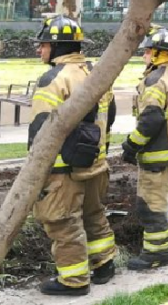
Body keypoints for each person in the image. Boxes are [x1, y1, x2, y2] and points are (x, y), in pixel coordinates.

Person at [28, 15, 117, 295]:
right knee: (93, 215)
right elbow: (110, 115)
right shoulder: (93, 72)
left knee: (62, 223)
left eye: (43, 44)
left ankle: (73, 281)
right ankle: (105, 264)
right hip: (96, 164)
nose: (39, 50)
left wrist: (36, 172)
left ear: (56, 47)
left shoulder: (53, 78)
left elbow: (40, 131)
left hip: (64, 170)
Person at [121, 26, 168, 270]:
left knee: (151, 204)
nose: (144, 55)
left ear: (158, 53)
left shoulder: (155, 81)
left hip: (157, 156)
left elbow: (151, 120)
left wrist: (131, 146)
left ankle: (156, 254)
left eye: (148, 51)